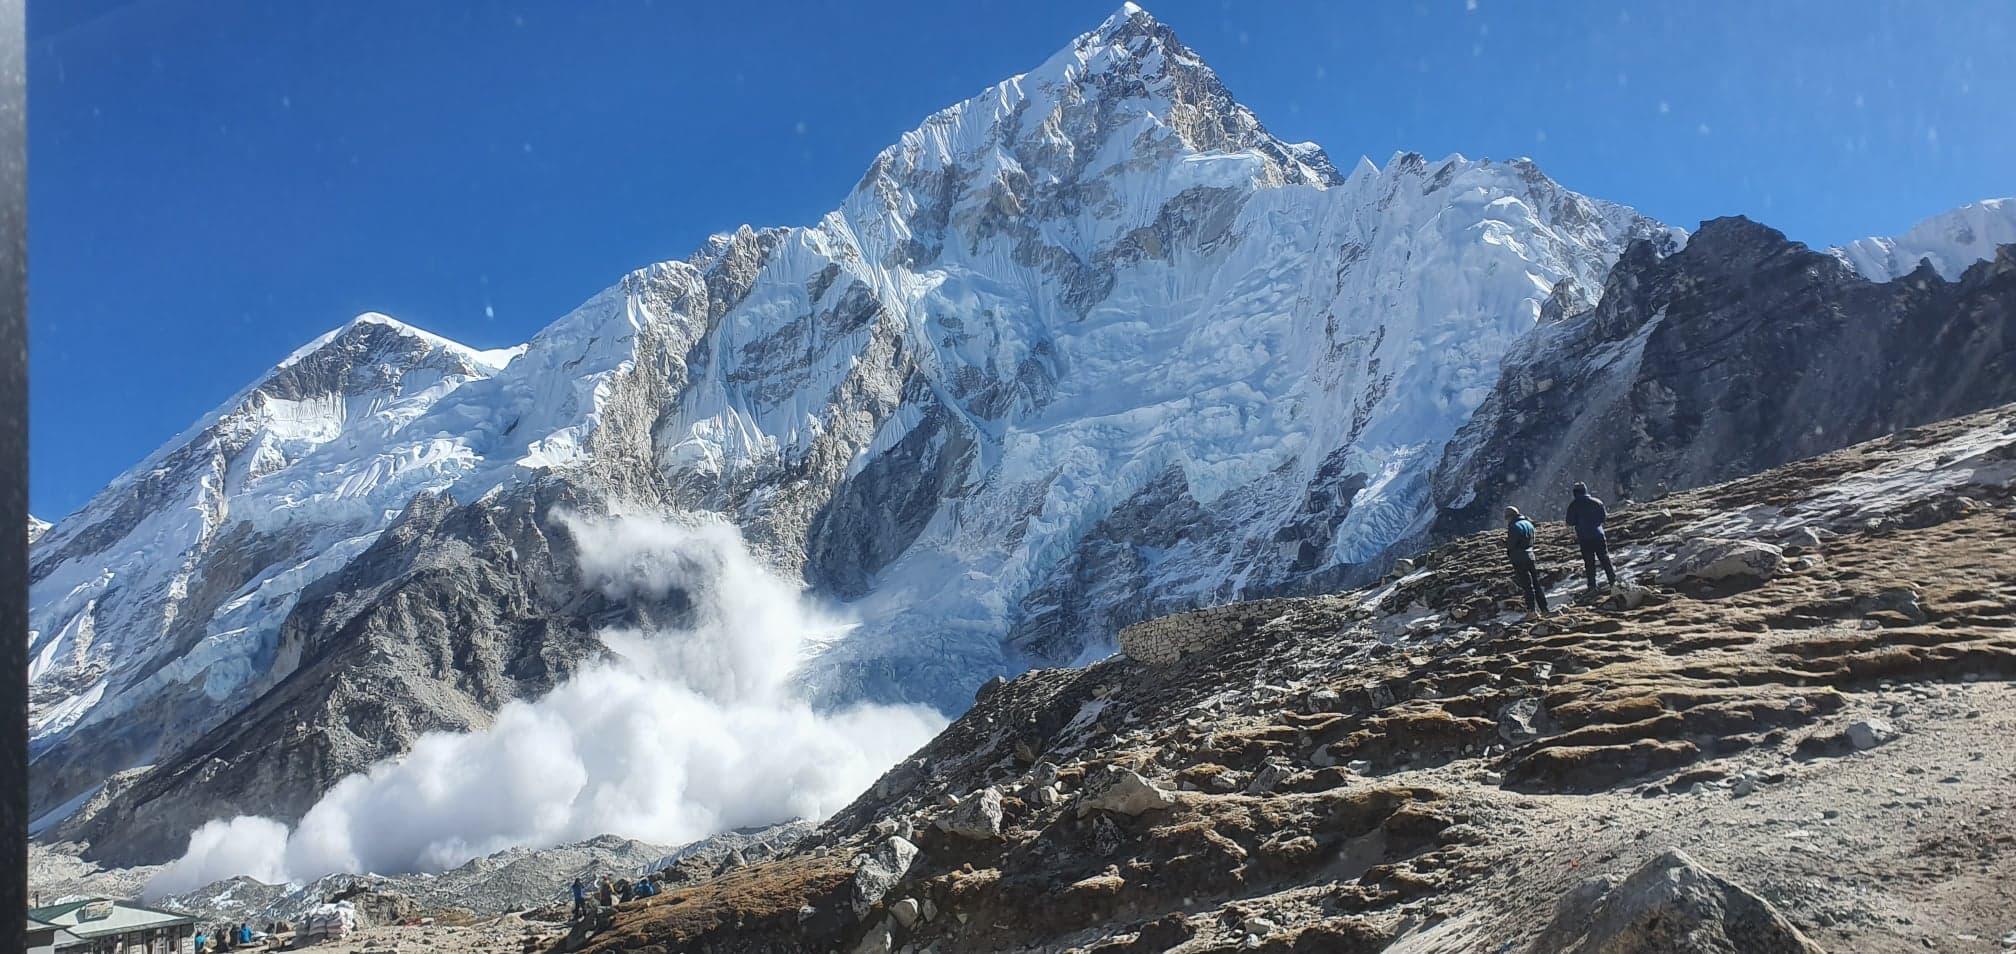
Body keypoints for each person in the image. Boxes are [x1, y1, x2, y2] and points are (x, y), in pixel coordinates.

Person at [1565, 482, 1617, 592]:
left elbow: (1569, 521)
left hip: (1584, 537)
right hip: (1598, 535)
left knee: (1589, 563)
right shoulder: (1597, 502)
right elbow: (1603, 518)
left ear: (1575, 493)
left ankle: (1592, 586)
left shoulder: (1573, 505)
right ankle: (1613, 581)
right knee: (1605, 559)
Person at [1505, 505, 1549, 616]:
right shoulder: (1528, 524)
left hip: (1519, 558)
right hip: (1530, 555)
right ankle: (1544, 608)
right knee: (1536, 583)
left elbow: (1511, 544)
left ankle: (1531, 610)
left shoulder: (1514, 526)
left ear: (1510, 516)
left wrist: (1507, 547)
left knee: (1527, 585)